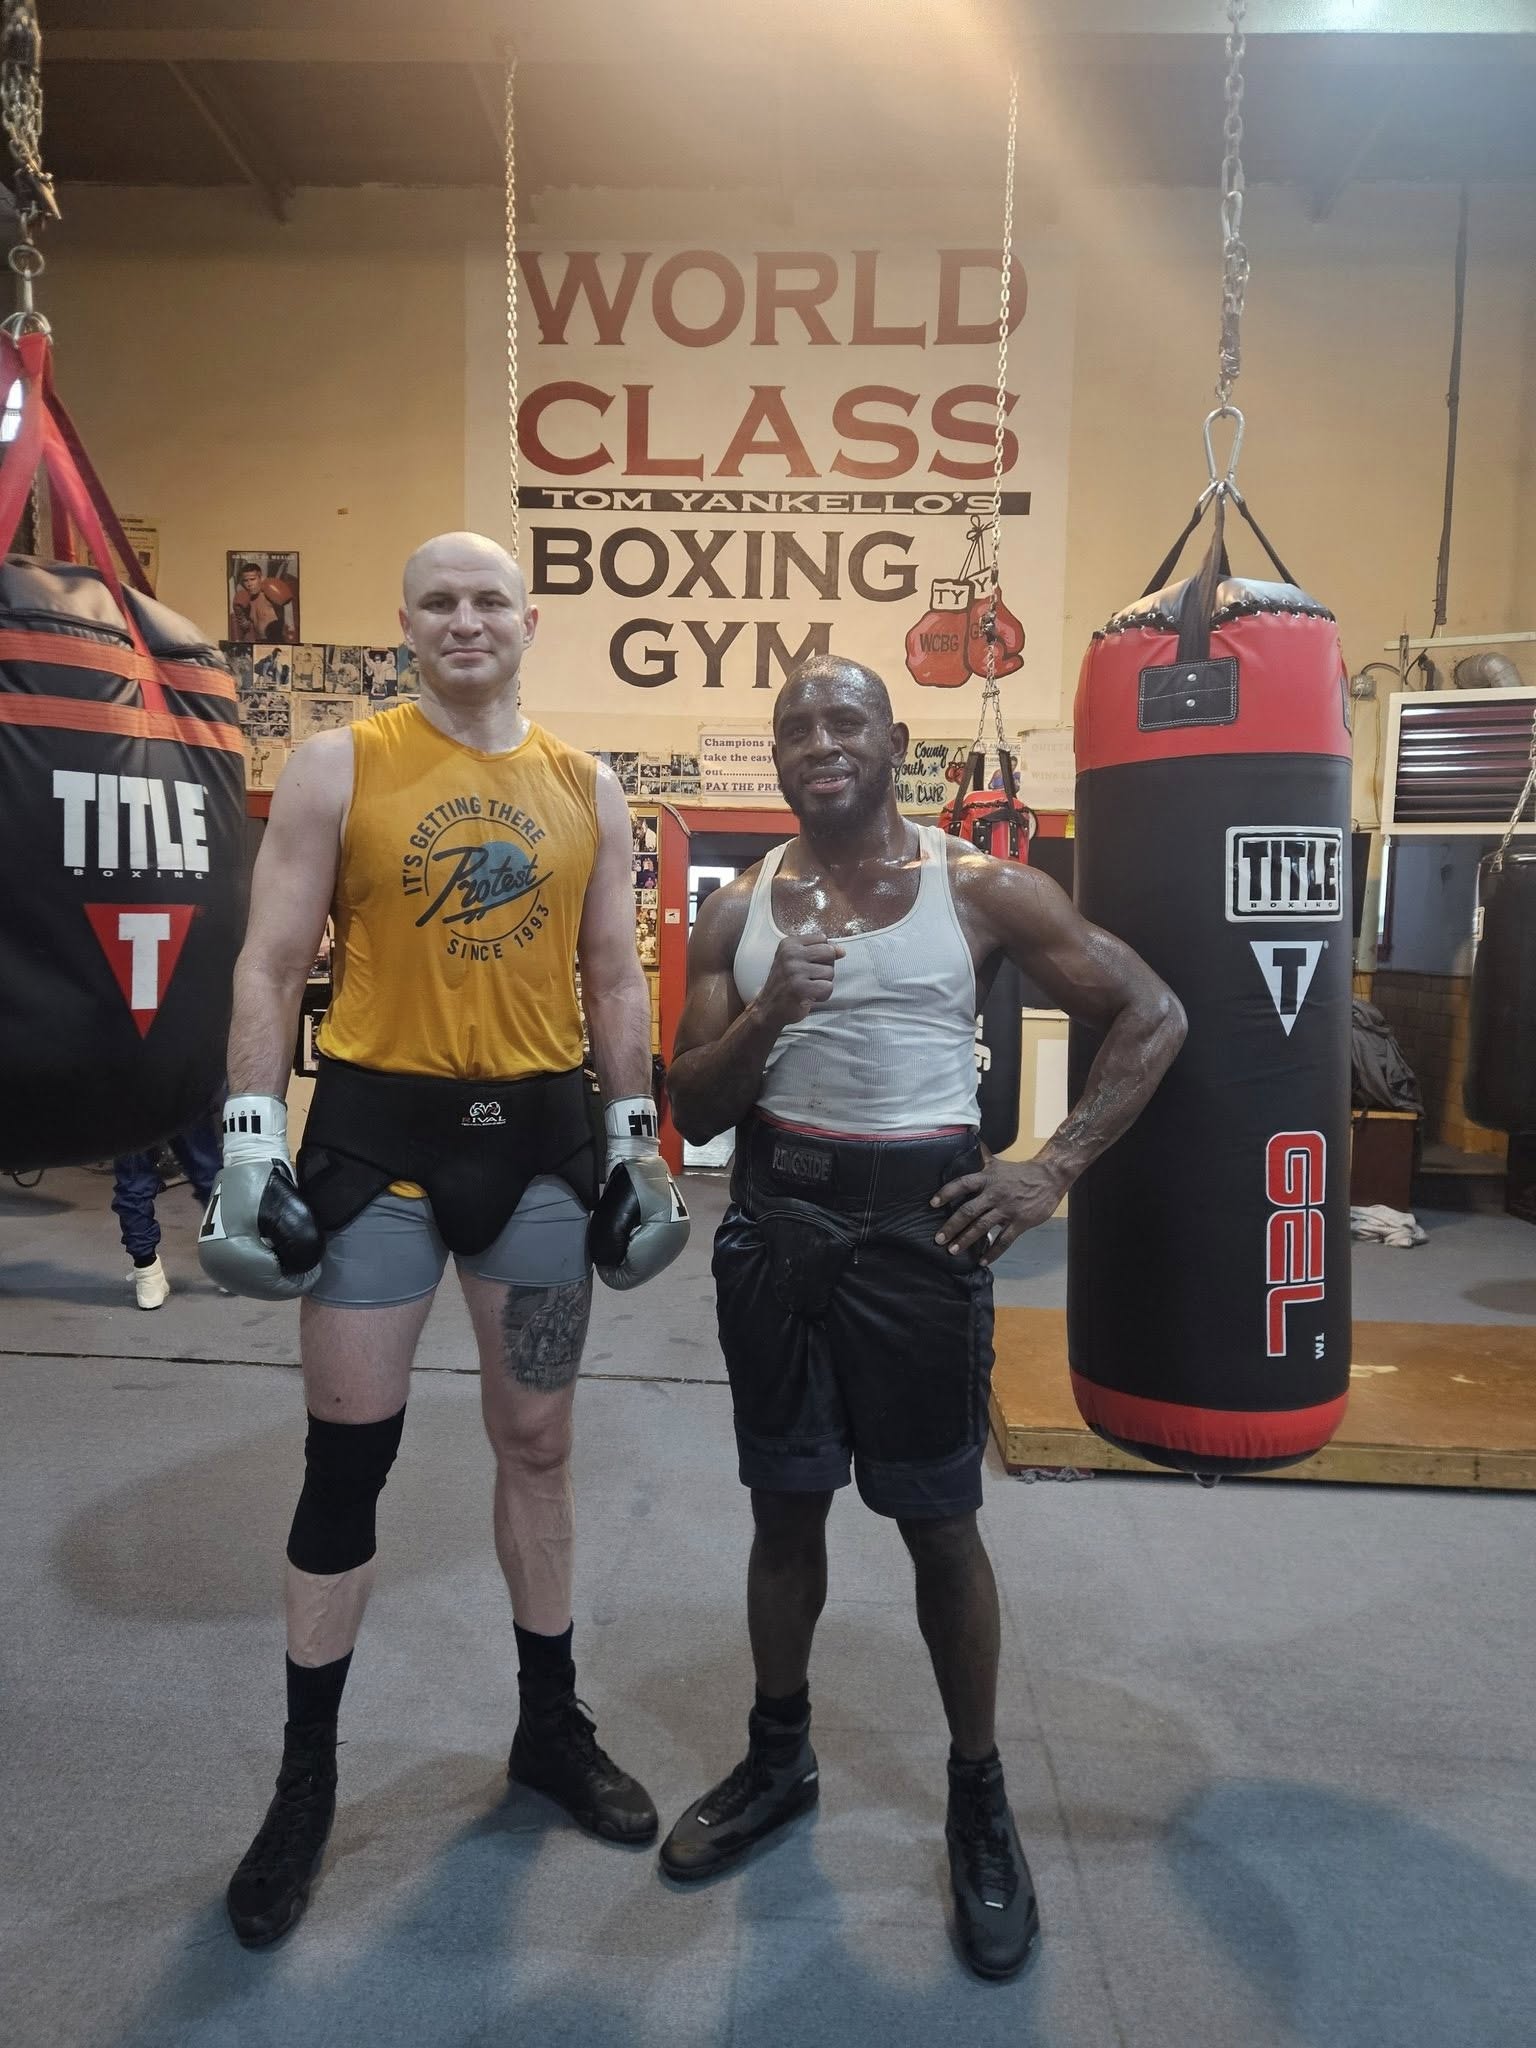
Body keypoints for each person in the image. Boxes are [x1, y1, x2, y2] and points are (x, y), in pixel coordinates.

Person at [662, 654, 1187, 1980]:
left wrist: (1051, 1167)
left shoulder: (983, 887)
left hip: (921, 1224)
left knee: (938, 1522)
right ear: (775, 757)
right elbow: (700, 1104)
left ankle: (978, 1796)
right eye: (796, 727)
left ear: (895, 739)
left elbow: (1152, 1012)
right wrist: (771, 1012)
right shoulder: (738, 909)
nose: (819, 742)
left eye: (844, 720)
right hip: (779, 1216)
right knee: (785, 1508)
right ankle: (779, 1760)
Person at [199, 532, 687, 1948]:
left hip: (536, 1151)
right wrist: (248, 1143)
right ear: (404, 621)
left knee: (538, 1443)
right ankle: (306, 1783)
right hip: (376, 1153)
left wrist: (634, 1139)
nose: (465, 620)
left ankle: (548, 1728)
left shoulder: (588, 786)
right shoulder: (345, 765)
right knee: (348, 1456)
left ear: (527, 621)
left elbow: (611, 969)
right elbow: (269, 960)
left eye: (488, 601)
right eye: (438, 601)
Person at [111, 1113, 222, 1309]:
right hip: (181, 1089)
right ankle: (226, 1262)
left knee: (134, 1182)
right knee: (207, 1172)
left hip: (126, 1094)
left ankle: (148, 1277)